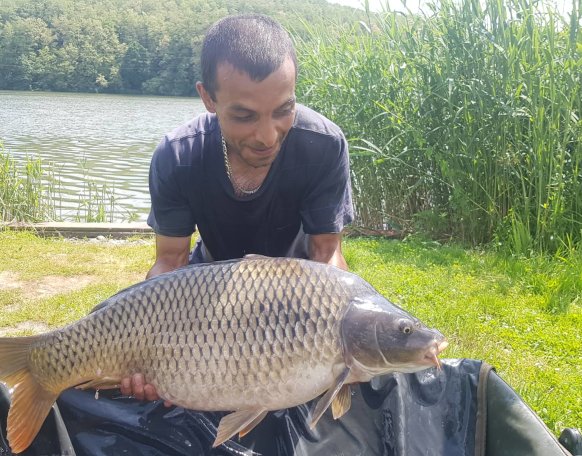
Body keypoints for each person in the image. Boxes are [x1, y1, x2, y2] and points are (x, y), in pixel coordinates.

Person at [120, 14, 354, 404]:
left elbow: (326, 254)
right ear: (208, 98)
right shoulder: (178, 154)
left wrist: (338, 333)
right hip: (204, 294)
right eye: (244, 116)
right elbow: (170, 262)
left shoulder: (324, 144)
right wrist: (142, 342)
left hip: (299, 300)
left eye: (283, 110)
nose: (267, 136)